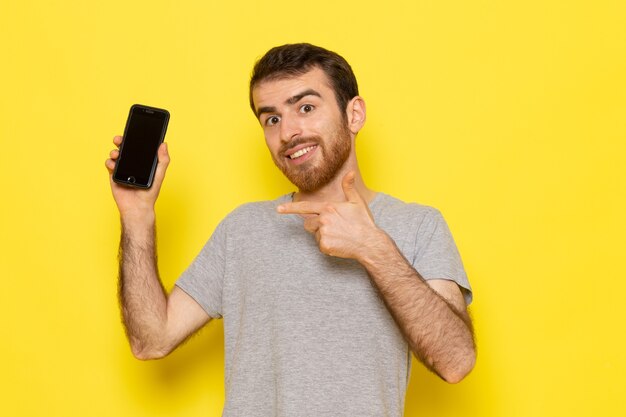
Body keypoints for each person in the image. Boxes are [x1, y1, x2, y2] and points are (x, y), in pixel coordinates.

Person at [105, 43, 476, 416]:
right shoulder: (241, 230)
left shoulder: (418, 226)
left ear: (355, 114)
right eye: (272, 119)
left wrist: (373, 248)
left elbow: (456, 361)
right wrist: (137, 218)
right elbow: (150, 340)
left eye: (306, 108)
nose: (288, 133)